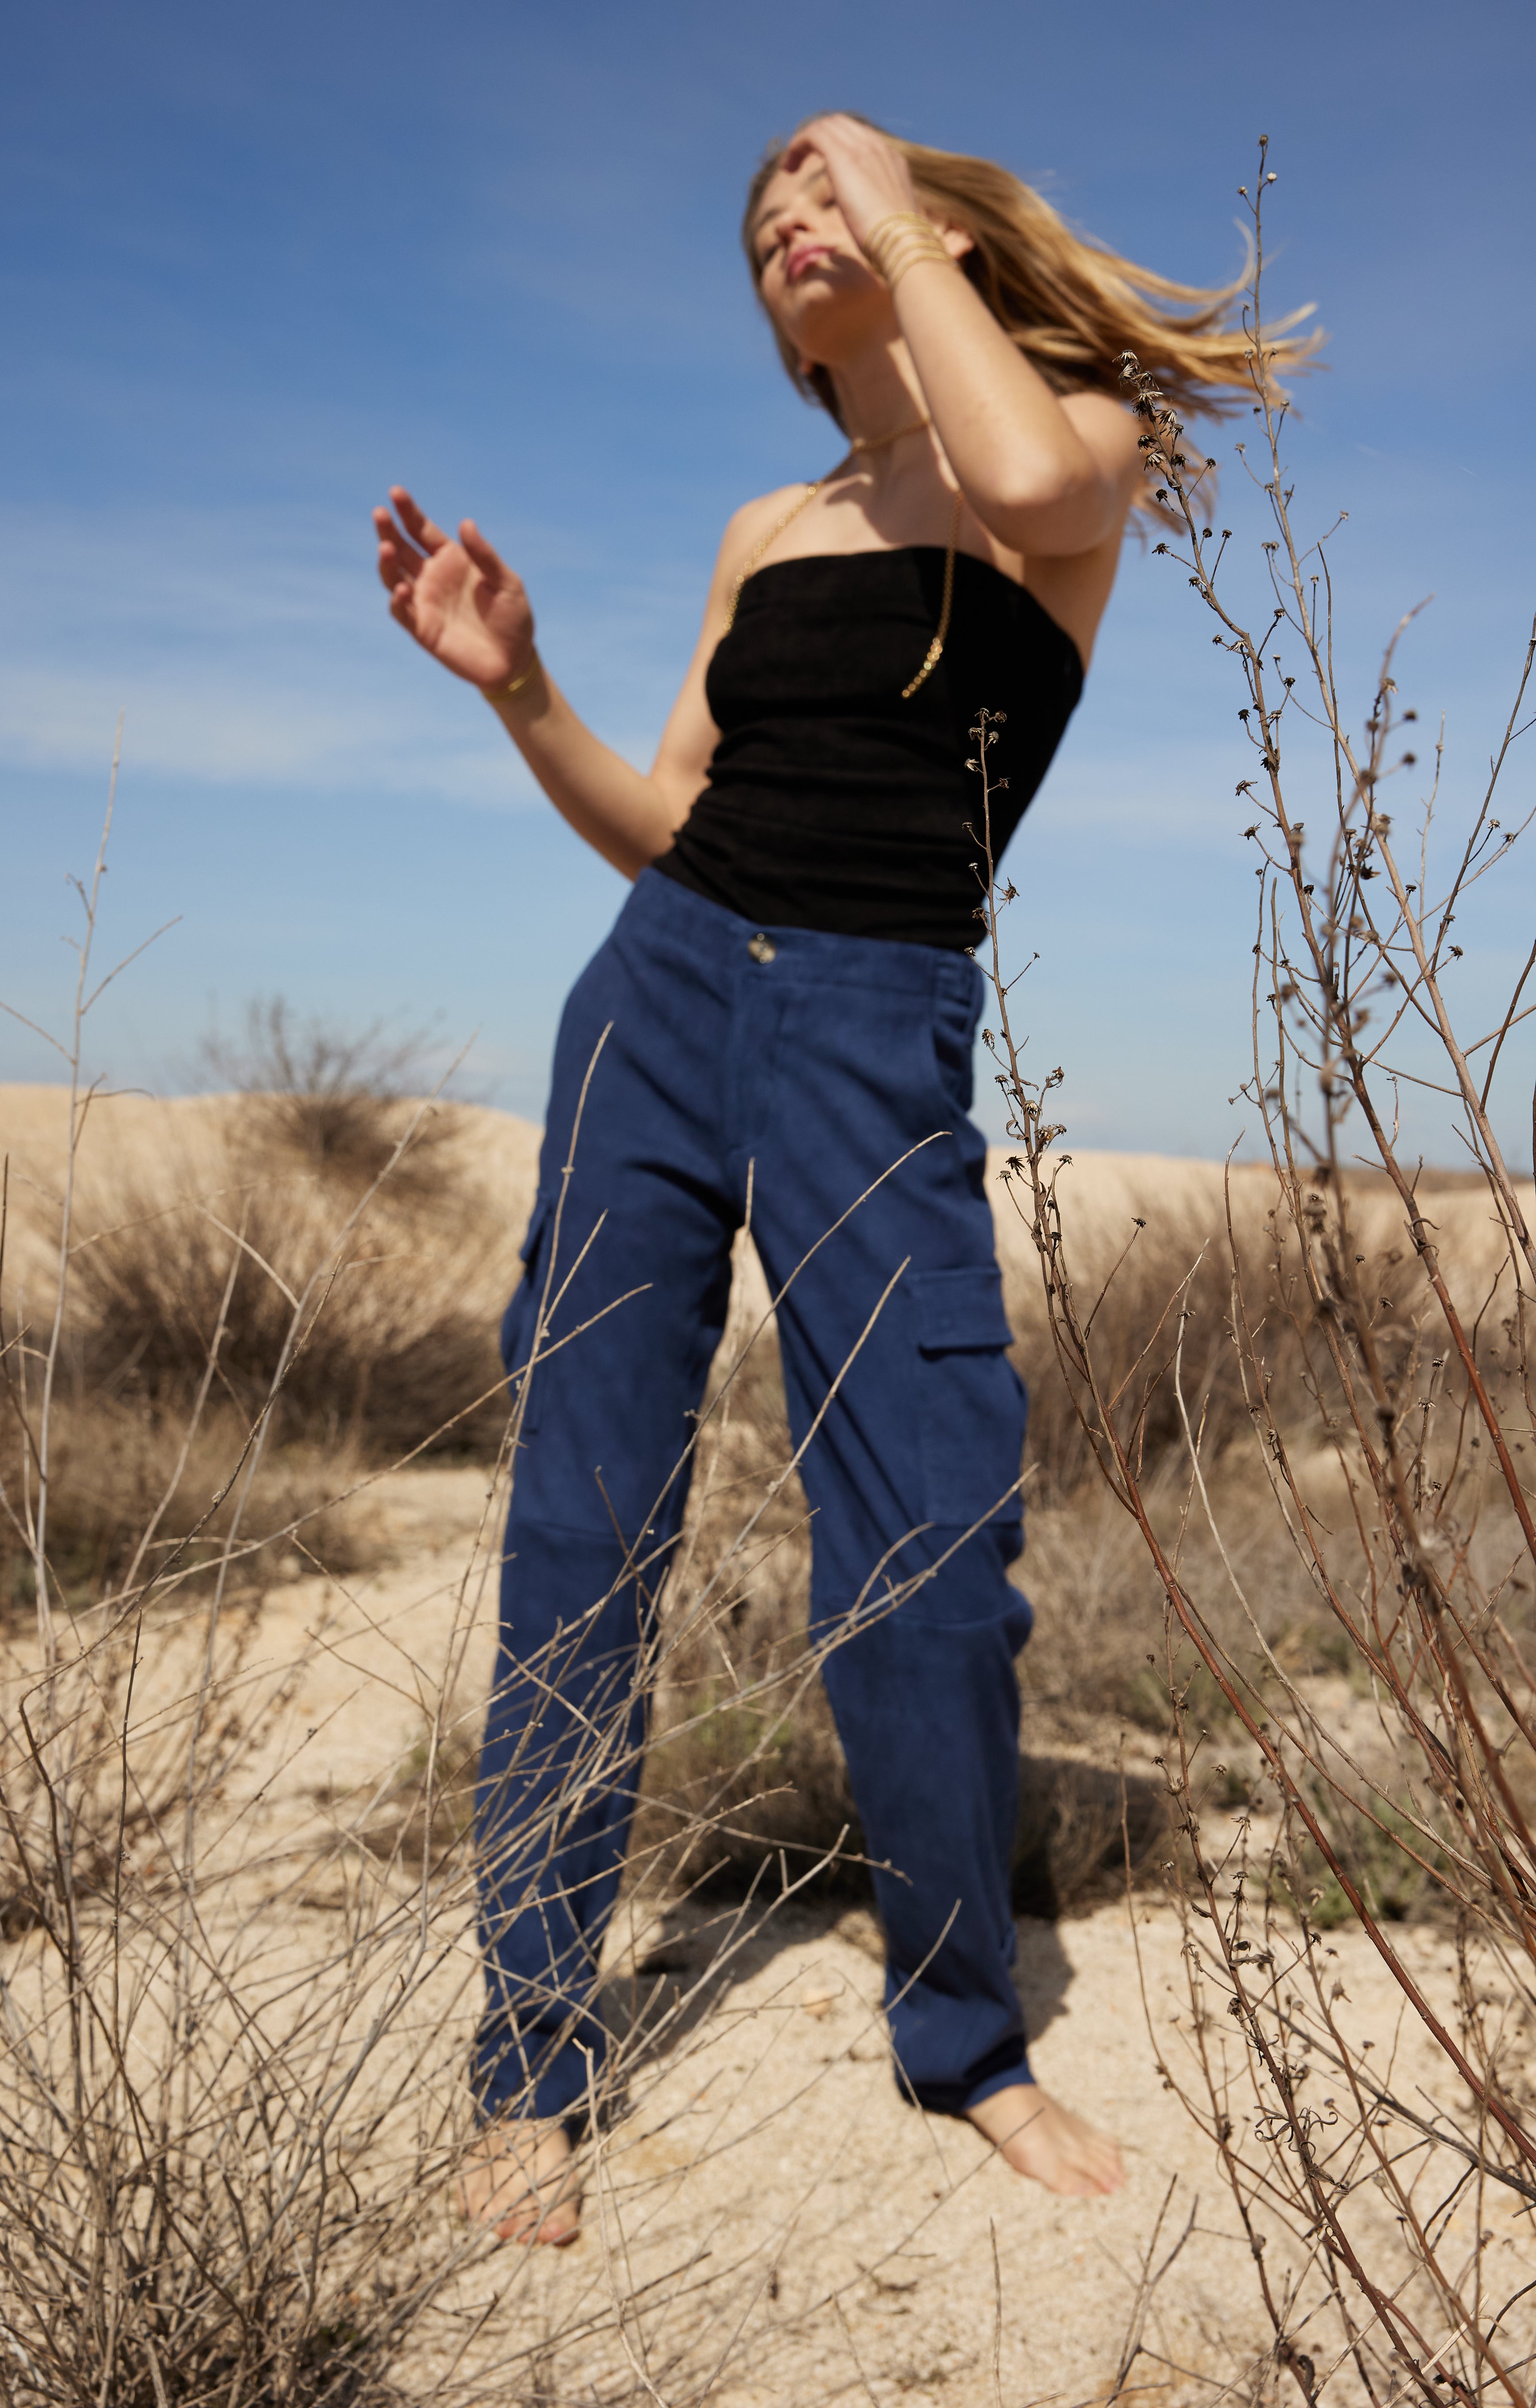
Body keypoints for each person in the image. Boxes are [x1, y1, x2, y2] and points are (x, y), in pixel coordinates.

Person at [374, 113, 1302, 2244]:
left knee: (929, 1543)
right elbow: (667, 816)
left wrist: (898, 211)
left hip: (881, 1026)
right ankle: (530, 2054)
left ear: (941, 227)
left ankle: (963, 2033)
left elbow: (1046, 481)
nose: (788, 216)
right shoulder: (763, 527)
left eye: (828, 182)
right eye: (764, 213)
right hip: (660, 1001)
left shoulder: (1061, 457)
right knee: (584, 1523)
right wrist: (522, 692)